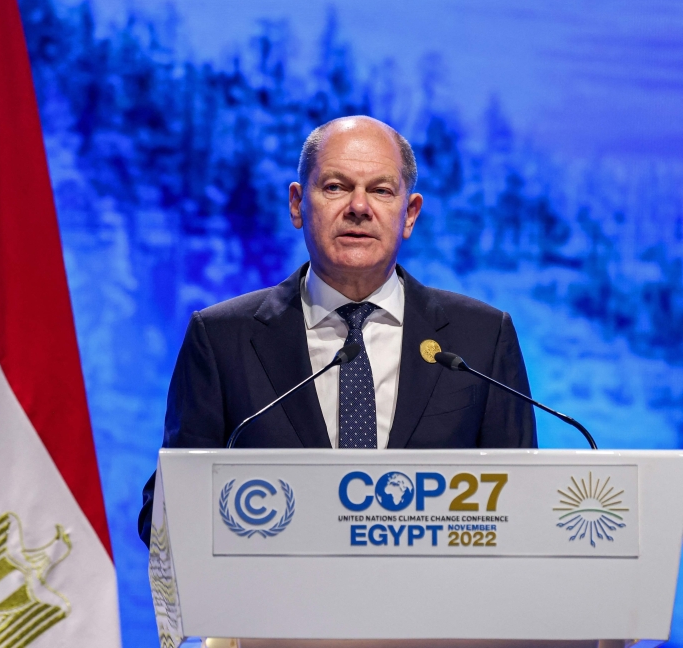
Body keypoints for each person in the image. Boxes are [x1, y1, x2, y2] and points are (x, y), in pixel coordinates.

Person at [138, 116, 537, 546]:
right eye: (335, 187)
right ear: (297, 204)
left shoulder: (480, 338)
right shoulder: (221, 340)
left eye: (382, 190)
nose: (359, 207)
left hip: (435, 607)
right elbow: (166, 513)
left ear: (410, 213)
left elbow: (524, 507)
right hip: (280, 607)